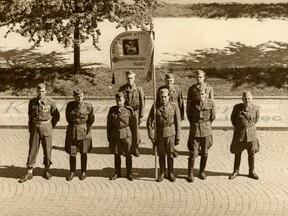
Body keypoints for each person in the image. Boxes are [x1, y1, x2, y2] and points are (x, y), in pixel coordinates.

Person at [19, 83, 60, 183]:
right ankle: (29, 171)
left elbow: (56, 116)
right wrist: (31, 127)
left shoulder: (51, 102)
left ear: (46, 91)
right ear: (36, 91)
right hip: (35, 128)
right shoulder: (32, 102)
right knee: (32, 149)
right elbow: (30, 115)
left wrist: (50, 126)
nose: (40, 93)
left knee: (47, 150)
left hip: (46, 127)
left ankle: (46, 170)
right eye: (39, 91)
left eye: (42, 91)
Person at [147, 88, 181, 182]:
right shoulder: (155, 107)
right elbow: (149, 122)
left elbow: (178, 122)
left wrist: (178, 137)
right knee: (161, 154)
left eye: (165, 97)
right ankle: (162, 173)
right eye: (162, 97)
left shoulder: (174, 106)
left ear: (169, 97)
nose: (163, 99)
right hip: (160, 134)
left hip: (171, 133)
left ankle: (170, 173)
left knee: (170, 154)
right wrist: (152, 136)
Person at [186, 86, 216, 182]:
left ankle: (201, 171)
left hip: (206, 130)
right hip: (195, 131)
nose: (201, 96)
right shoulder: (192, 103)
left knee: (205, 152)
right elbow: (189, 116)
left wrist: (206, 124)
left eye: (203, 94)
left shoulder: (211, 103)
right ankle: (190, 173)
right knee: (193, 153)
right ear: (196, 95)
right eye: (199, 94)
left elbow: (213, 116)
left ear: (206, 94)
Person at [107, 92, 138, 181]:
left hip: (127, 134)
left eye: (120, 100)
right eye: (117, 101)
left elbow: (133, 125)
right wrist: (109, 138)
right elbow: (109, 125)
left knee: (128, 154)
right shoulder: (112, 110)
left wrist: (135, 139)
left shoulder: (129, 110)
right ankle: (117, 172)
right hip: (116, 135)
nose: (118, 103)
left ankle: (129, 173)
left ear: (124, 100)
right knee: (116, 154)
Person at [229, 91, 260, 180]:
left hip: (251, 134)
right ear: (242, 99)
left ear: (252, 99)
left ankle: (252, 171)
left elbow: (255, 120)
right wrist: (240, 128)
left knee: (252, 153)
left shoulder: (255, 109)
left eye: (249, 99)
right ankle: (236, 171)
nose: (247, 100)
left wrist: (249, 128)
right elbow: (233, 120)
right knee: (237, 153)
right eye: (245, 99)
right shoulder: (237, 108)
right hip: (240, 134)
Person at [65, 89, 95, 181]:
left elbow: (91, 119)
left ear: (83, 96)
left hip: (84, 131)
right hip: (73, 131)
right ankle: (72, 171)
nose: (79, 98)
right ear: (74, 97)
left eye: (81, 96)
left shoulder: (88, 106)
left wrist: (85, 127)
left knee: (83, 152)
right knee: (72, 152)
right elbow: (68, 118)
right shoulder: (70, 105)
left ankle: (83, 172)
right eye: (77, 96)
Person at [118, 70, 144, 156]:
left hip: (136, 113)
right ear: (126, 78)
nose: (130, 80)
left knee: (136, 131)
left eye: (131, 78)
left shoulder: (139, 89)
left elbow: (142, 103)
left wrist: (141, 116)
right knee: (128, 131)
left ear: (134, 78)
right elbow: (120, 101)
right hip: (126, 114)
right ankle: (127, 148)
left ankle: (135, 148)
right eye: (128, 78)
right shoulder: (122, 89)